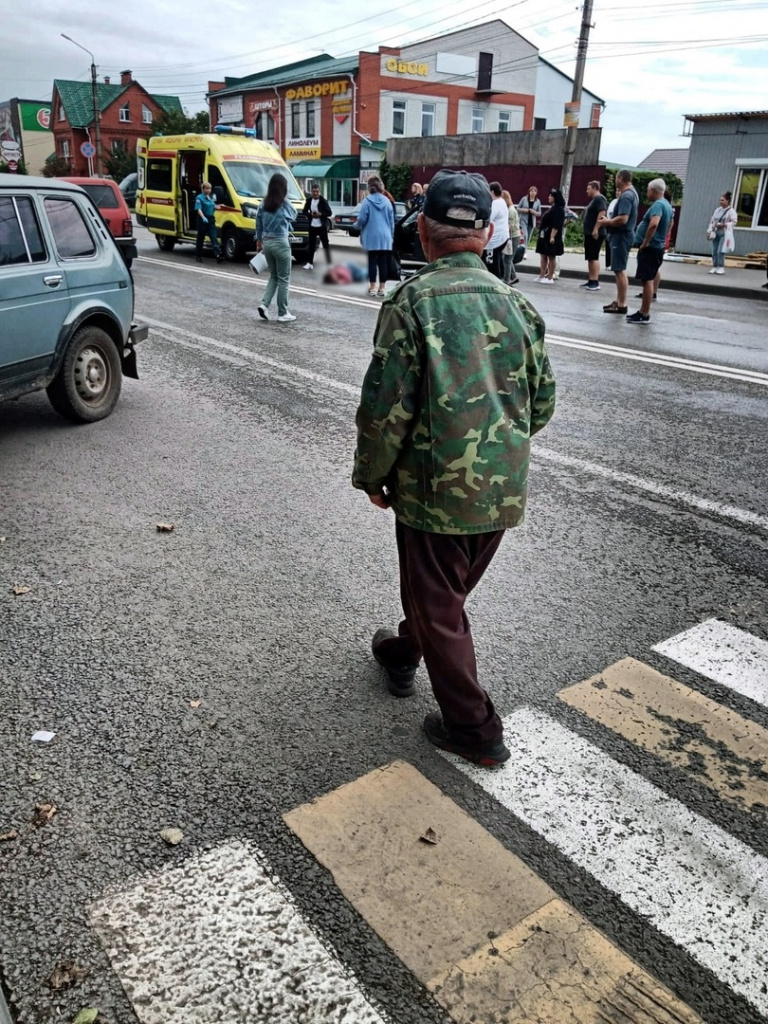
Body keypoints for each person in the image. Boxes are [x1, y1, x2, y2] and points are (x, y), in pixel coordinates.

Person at [352, 169, 556, 767]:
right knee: (443, 594)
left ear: (422, 230)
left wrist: (372, 475)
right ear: (487, 233)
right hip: (500, 489)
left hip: (434, 488)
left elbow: (386, 407)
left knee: (441, 603)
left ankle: (474, 729)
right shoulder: (518, 304)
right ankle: (401, 652)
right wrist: (499, 449)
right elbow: (541, 403)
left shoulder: (411, 302)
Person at [625, 178, 673, 326]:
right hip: (657, 247)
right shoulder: (667, 205)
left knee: (647, 281)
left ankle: (644, 314)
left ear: (653, 190)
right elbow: (669, 224)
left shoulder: (658, 205)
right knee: (649, 279)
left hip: (650, 247)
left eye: (647, 190)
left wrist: (645, 242)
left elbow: (653, 224)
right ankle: (642, 312)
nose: (647, 193)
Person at [254, 172, 297, 322]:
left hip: (267, 243)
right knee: (284, 278)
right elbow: (294, 213)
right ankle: (282, 312)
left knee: (274, 276)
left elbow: (258, 224)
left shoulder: (263, 204)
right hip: (281, 242)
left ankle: (264, 305)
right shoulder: (283, 203)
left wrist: (259, 241)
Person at [599, 169, 639, 314]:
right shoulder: (633, 193)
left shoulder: (627, 196)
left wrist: (607, 222)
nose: (615, 181)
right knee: (618, 269)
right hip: (624, 235)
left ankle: (621, 304)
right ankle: (619, 300)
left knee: (620, 270)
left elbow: (623, 219)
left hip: (621, 236)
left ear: (620, 179)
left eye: (616, 178)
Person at [356, 174, 395, 297]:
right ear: (381, 187)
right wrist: (391, 236)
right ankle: (382, 288)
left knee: (371, 261)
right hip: (385, 236)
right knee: (383, 261)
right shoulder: (387, 201)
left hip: (371, 235)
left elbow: (362, 219)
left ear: (369, 187)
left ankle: (372, 287)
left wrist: (356, 225)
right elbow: (391, 221)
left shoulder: (367, 201)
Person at [535, 187, 565, 284]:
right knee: (543, 255)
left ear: (555, 197)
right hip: (544, 235)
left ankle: (550, 277)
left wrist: (552, 236)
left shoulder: (558, 209)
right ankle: (541, 275)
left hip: (551, 236)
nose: (549, 197)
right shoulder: (552, 207)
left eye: (551, 196)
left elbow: (556, 224)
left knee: (551, 256)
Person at [581, 180, 607, 290]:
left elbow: (602, 213)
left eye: (589, 188)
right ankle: (591, 280)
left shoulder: (599, 199)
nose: (587, 191)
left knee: (594, 256)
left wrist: (596, 228)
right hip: (589, 233)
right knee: (590, 257)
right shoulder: (594, 200)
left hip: (596, 233)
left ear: (595, 188)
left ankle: (595, 281)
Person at [302, 184, 333, 270]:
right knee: (311, 245)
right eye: (314, 191)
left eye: (317, 192)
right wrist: (310, 215)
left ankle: (329, 263)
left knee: (325, 244)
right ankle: (309, 263)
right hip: (312, 226)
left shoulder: (323, 201)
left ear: (319, 192)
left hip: (321, 226)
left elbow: (329, 212)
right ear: (311, 192)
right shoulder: (309, 201)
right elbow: (304, 211)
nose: (315, 193)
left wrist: (321, 214)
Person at [707, 191, 737, 276]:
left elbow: (734, 222)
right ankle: (715, 266)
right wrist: (709, 231)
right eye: (720, 200)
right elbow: (712, 221)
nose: (721, 202)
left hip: (724, 233)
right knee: (714, 250)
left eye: (722, 200)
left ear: (727, 201)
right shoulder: (717, 210)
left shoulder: (731, 211)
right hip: (715, 233)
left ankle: (721, 266)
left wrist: (724, 225)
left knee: (721, 250)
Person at [486, 181, 510, 279]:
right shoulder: (502, 201)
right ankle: (501, 279)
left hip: (494, 240)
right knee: (498, 259)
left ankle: (494, 280)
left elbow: (488, 219)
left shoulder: (496, 203)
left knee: (491, 263)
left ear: (492, 192)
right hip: (503, 237)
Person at [194, 182, 222, 264]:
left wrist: (217, 207)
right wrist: (203, 217)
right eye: (207, 188)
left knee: (214, 238)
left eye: (209, 188)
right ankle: (198, 255)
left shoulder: (211, 197)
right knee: (200, 238)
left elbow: (212, 206)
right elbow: (198, 209)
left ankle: (218, 255)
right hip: (202, 219)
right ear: (203, 189)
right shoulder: (199, 197)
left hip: (211, 220)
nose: (208, 190)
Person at [501, 189, 521, 286]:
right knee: (507, 258)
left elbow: (510, 226)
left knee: (507, 259)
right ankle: (513, 276)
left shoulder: (511, 211)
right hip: (513, 236)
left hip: (513, 237)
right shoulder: (510, 209)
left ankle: (506, 280)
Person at [518, 186, 541, 255]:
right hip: (523, 220)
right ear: (529, 192)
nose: (533, 193)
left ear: (536, 193)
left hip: (531, 221)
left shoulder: (537, 201)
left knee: (528, 237)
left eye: (534, 191)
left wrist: (534, 212)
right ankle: (524, 251)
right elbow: (518, 208)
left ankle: (525, 250)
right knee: (525, 235)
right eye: (531, 191)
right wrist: (524, 210)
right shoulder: (524, 199)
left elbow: (539, 213)